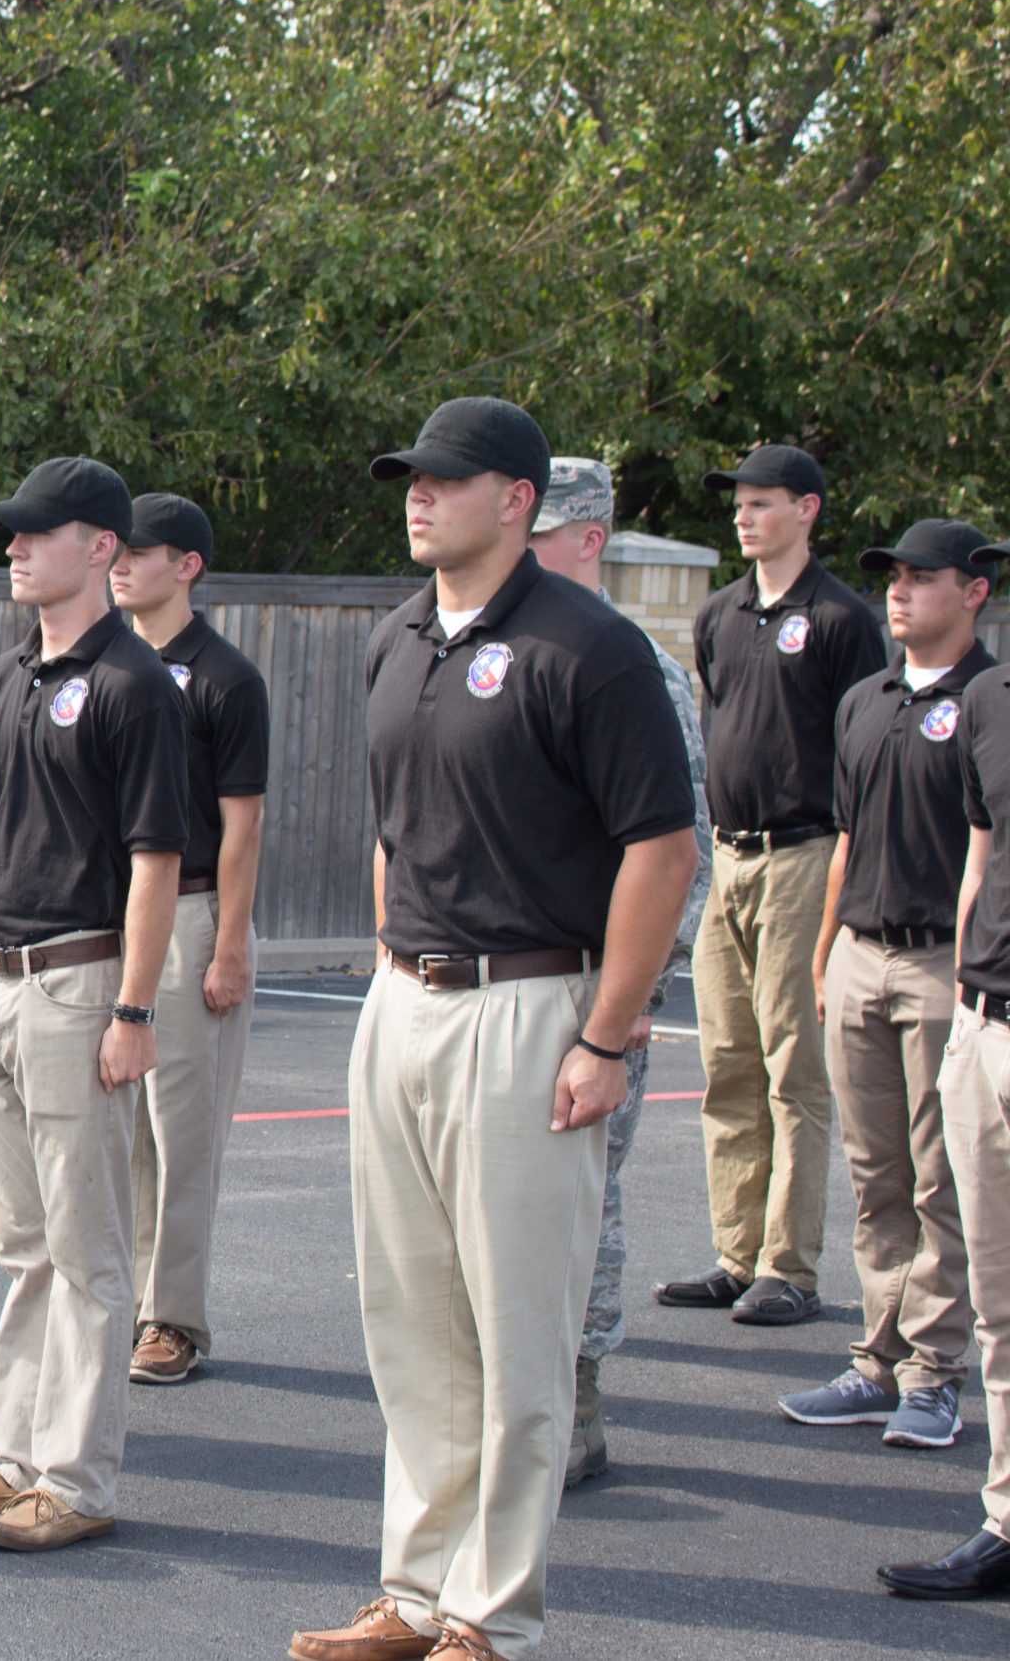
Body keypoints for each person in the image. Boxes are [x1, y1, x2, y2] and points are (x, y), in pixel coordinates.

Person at [293, 399, 695, 1661]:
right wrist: (389, 968)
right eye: (408, 478)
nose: (416, 497)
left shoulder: (591, 647)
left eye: (444, 480)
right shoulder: (399, 636)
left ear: (517, 499)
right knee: (411, 1327)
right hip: (407, 1001)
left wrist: (608, 1037)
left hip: (533, 1008)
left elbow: (660, 850)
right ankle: (414, 1594)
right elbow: (393, 825)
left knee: (518, 1332)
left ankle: (491, 1614)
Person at [0, 456, 187, 1552]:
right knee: (23, 1245)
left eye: (36, 532)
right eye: (9, 533)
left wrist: (133, 1012)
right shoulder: (4, 673)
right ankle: (17, 1456)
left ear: (100, 548)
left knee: (87, 1253)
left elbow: (157, 859)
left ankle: (76, 1479)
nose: (14, 548)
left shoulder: (134, 687)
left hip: (80, 984)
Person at [778, 519, 992, 1450]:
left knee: (943, 1177)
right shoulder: (864, 699)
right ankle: (876, 1355)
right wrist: (826, 952)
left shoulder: (992, 700)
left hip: (947, 961)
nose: (898, 593)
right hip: (863, 951)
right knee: (877, 1177)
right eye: (891, 578)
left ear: (975, 590)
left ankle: (934, 1371)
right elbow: (849, 838)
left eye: (921, 578)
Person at [662, 444, 887, 1328]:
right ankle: (735, 1251)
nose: (744, 517)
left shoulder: (840, 619)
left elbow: (865, 745)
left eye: (762, 503)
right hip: (730, 854)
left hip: (805, 850)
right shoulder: (719, 615)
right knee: (726, 1060)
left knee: (794, 1065)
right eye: (739, 504)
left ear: (808, 510)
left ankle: (788, 1265)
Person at [524, 457, 710, 1488]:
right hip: (509, 978)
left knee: (582, 1198)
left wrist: (627, 1002)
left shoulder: (634, 661)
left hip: (597, 987)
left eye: (541, 528)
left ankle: (577, 1401)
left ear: (588, 537)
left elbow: (683, 848)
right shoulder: (503, 640)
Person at [107, 491, 269, 1385]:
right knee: (124, 1126)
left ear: (188, 566)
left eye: (143, 550)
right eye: (117, 549)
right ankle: (132, 1302)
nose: (123, 562)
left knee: (184, 1131)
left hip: (196, 907)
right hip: (122, 913)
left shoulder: (224, 677)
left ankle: (174, 1317)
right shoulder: (113, 665)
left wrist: (231, 942)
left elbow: (241, 826)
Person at [881, 541, 1010, 1599]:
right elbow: (978, 852)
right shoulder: (992, 698)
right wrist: (969, 1003)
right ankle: (1007, 1521)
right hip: (986, 1023)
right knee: (1002, 1302)